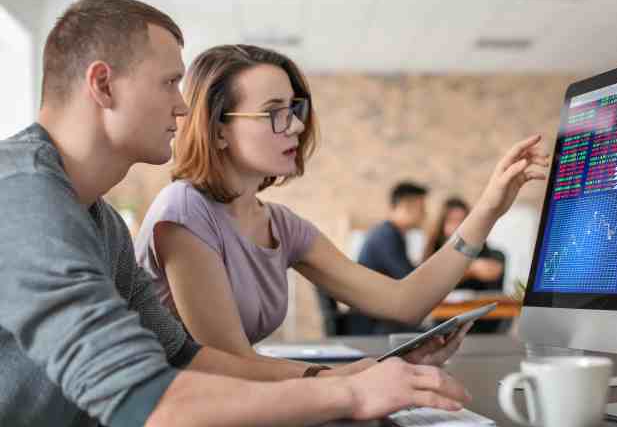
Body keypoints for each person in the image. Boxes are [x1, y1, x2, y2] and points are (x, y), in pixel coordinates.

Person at [0, 0, 471, 427]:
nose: (184, 108)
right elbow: (156, 413)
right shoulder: (20, 198)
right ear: (103, 85)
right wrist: (350, 392)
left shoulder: (100, 221)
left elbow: (189, 358)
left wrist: (356, 375)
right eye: (169, 83)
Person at [134, 43, 550, 359]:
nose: (296, 125)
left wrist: (489, 209)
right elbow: (230, 365)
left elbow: (404, 302)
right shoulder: (184, 211)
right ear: (218, 129)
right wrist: (370, 373)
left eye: (295, 109)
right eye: (275, 111)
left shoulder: (281, 224)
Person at [351, 181, 430, 334]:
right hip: (373, 325)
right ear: (405, 206)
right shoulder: (386, 236)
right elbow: (409, 279)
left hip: (380, 317)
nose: (425, 214)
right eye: (421, 209)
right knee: (431, 331)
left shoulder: (392, 234)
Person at [424, 196, 507, 333]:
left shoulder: (486, 252)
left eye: (463, 221)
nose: (458, 226)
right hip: (445, 322)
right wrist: (470, 270)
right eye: (452, 221)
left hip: (481, 322)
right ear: (441, 225)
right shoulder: (434, 253)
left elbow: (493, 282)